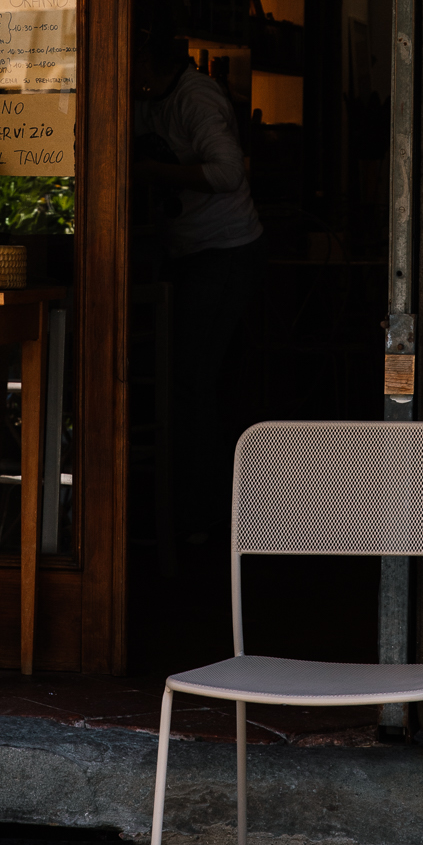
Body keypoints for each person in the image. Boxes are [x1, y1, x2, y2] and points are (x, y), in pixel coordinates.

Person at [133, 29, 263, 551]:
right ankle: (196, 512)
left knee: (193, 381)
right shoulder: (149, 101)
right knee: (188, 380)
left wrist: (150, 172)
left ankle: (204, 518)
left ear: (150, 60)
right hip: (191, 253)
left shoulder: (196, 98)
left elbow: (228, 171)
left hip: (226, 251)